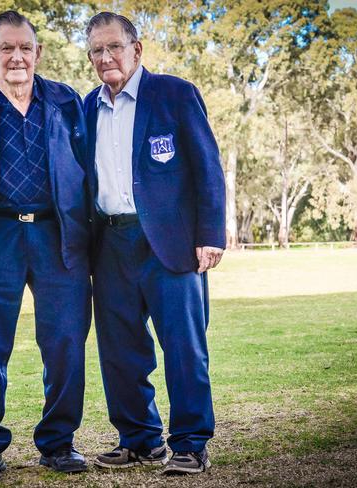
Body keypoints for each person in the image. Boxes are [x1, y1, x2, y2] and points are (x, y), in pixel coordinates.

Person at [0, 10, 91, 480]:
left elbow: (90, 174)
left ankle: (58, 442)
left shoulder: (67, 103)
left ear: (38, 53)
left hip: (57, 237)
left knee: (66, 341)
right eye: (6, 48)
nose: (17, 57)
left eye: (25, 47)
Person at [83, 12, 226, 475]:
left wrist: (210, 235)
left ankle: (189, 442)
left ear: (136, 49)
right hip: (110, 243)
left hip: (172, 244)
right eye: (97, 51)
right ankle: (139, 439)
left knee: (184, 345)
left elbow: (208, 167)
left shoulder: (176, 94)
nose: (106, 57)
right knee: (120, 350)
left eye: (114, 47)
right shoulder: (86, 108)